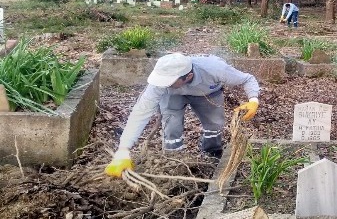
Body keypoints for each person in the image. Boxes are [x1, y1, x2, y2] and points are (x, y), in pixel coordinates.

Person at [104, 53, 260, 178]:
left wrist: (253, 100)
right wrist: (123, 149)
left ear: (188, 76)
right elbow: (140, 112)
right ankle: (174, 161)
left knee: (214, 125)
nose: (163, 84)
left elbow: (247, 79)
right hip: (173, 95)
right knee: (171, 126)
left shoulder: (214, 68)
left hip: (208, 93)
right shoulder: (161, 84)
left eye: (169, 81)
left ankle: (211, 154)